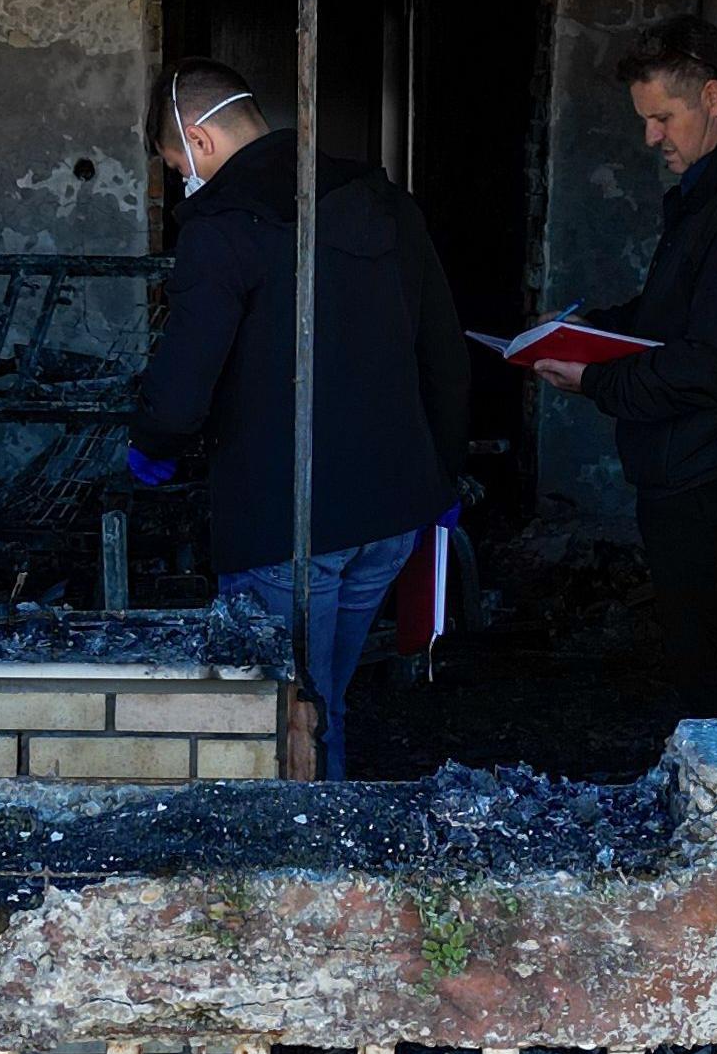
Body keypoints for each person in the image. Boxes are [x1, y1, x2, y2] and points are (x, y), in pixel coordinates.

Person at [131, 61, 466, 778]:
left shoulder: (222, 228)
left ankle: (293, 872)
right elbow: (443, 346)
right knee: (328, 703)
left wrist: (151, 440)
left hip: (286, 521)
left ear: (198, 140)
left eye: (172, 165)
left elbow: (184, 388)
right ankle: (337, 857)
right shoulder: (382, 199)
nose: (180, 182)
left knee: (281, 722)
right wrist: (442, 474)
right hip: (389, 514)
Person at [530, 15, 717, 719]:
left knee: (716, 674)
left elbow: (709, 366)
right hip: (693, 467)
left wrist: (594, 379)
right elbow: (675, 317)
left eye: (663, 118)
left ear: (712, 98)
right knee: (699, 661)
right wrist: (592, 327)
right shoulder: (716, 182)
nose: (651, 137)